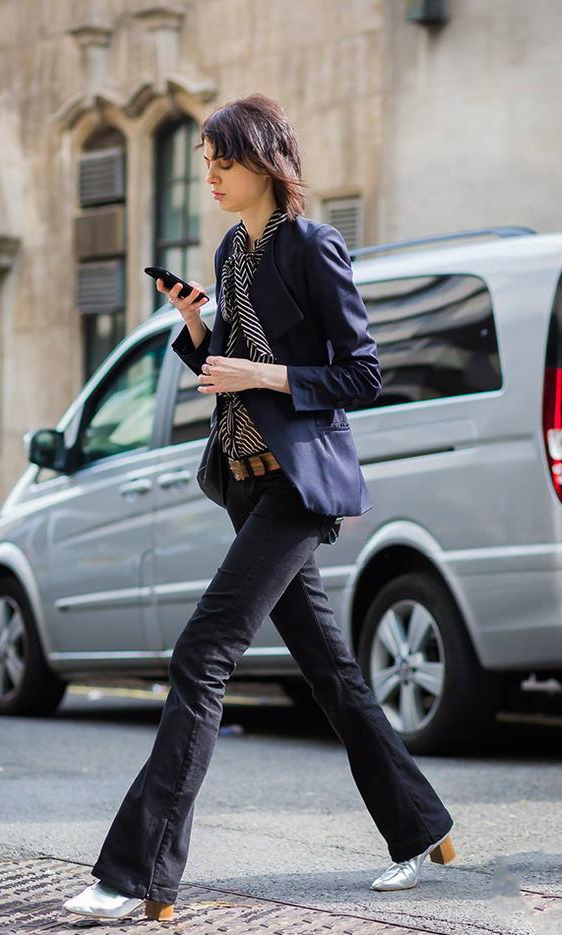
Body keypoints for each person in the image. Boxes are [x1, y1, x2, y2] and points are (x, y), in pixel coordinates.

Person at [63, 93, 456, 924]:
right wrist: (200, 329)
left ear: (266, 163)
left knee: (201, 655)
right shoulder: (232, 250)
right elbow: (236, 364)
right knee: (333, 672)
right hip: (244, 481)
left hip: (296, 486)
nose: (208, 173)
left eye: (221, 160)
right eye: (204, 160)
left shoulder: (313, 246)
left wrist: (261, 375)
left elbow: (362, 372)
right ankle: (423, 827)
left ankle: (139, 874)